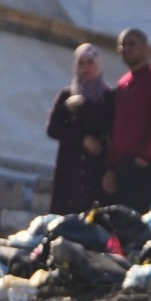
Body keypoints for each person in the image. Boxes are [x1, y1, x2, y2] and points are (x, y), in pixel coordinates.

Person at [102, 28, 151, 212]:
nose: (127, 49)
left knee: (135, 216)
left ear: (145, 48)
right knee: (117, 216)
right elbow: (117, 126)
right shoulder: (123, 82)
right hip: (121, 163)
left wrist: (145, 156)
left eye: (132, 44)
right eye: (123, 45)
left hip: (142, 162)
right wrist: (110, 166)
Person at [46, 43, 119, 215]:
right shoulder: (67, 95)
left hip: (97, 168)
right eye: (81, 63)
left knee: (94, 217)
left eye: (90, 62)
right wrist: (81, 139)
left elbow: (108, 126)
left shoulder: (109, 98)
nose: (86, 68)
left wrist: (83, 106)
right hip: (70, 167)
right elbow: (53, 128)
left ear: (99, 65)